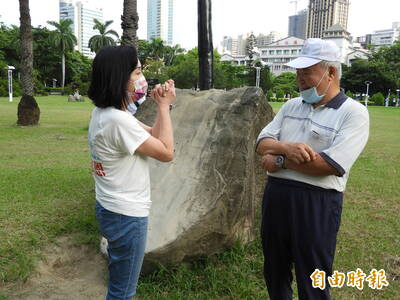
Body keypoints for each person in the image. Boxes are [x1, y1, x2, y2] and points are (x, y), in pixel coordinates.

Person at [255, 38, 369, 300]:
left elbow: (329, 165)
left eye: (307, 72)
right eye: (298, 72)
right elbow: (262, 143)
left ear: (331, 72)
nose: (300, 79)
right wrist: (287, 148)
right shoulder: (291, 106)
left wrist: (280, 159)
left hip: (317, 203)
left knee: (313, 277)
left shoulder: (353, 113)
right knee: (275, 268)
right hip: (277, 197)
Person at [87, 45, 175, 300]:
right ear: (118, 77)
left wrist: (161, 106)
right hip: (127, 216)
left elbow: (153, 136)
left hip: (111, 208)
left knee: (119, 283)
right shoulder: (118, 121)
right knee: (122, 292)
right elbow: (167, 152)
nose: (142, 79)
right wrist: (164, 107)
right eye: (137, 73)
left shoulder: (106, 114)